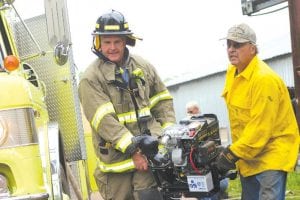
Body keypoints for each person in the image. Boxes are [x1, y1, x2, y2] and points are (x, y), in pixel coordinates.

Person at [78, 10, 176, 200]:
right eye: (107, 42)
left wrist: (168, 138)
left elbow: (162, 102)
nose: (112, 47)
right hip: (118, 166)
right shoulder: (90, 79)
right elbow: (104, 121)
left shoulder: (143, 66)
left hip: (150, 157)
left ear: (125, 41)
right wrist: (134, 151)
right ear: (98, 42)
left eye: (117, 42)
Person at [217, 23, 300, 200]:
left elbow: (260, 128)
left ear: (252, 49)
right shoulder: (232, 72)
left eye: (237, 45)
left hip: (272, 152)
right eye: (229, 44)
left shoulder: (264, 79)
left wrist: (231, 154)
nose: (231, 49)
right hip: (248, 154)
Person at [185, 101, 229, 199]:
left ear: (197, 110)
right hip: (198, 175)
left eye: (191, 111)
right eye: (187, 112)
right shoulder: (186, 129)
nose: (189, 114)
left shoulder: (208, 125)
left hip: (215, 175)